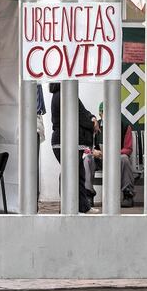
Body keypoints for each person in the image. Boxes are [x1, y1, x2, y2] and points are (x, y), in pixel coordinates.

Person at [49, 82, 98, 213]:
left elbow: (82, 112)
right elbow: (81, 116)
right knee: (72, 174)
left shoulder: (60, 94)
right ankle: (69, 207)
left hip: (63, 140)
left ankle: (81, 207)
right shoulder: (65, 95)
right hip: (65, 140)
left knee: (76, 173)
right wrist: (93, 123)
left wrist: (92, 117)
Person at [85, 102, 136, 208]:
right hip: (99, 159)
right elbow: (85, 148)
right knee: (87, 159)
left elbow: (128, 149)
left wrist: (113, 154)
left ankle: (128, 195)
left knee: (125, 159)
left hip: (117, 159)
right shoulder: (94, 126)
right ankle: (88, 195)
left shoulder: (125, 126)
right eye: (105, 113)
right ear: (100, 113)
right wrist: (93, 151)